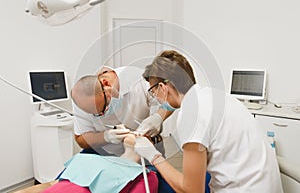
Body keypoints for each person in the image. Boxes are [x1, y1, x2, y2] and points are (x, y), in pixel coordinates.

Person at [134, 50, 283, 192]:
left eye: (153, 92)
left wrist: (152, 155)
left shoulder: (191, 114)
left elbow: (192, 190)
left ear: (162, 87)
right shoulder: (215, 96)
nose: (155, 98)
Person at [71, 65, 174, 192]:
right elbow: (81, 139)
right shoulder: (83, 100)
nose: (103, 115)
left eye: (104, 108)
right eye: (97, 114)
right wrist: (105, 136)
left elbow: (171, 97)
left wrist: (159, 116)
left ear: (106, 83)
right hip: (103, 157)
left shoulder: (139, 81)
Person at [16, 134, 159, 193]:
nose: (137, 132)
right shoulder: (92, 158)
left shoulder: (146, 176)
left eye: (143, 135)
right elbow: (52, 184)